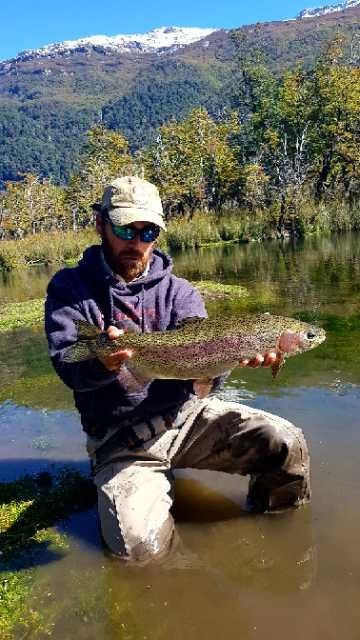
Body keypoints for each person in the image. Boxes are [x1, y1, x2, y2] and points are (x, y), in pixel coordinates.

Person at [45, 176, 311, 562]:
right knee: (139, 551)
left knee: (287, 443)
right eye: (124, 228)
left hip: (185, 420)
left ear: (159, 232)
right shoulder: (71, 289)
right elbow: (68, 365)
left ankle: (280, 539)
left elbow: (204, 379)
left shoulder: (181, 293)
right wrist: (103, 362)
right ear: (100, 224)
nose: (136, 242)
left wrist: (234, 363)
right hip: (121, 440)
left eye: (148, 231)